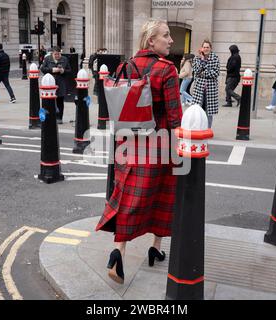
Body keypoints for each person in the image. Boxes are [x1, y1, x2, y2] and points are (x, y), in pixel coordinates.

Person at [95, 19, 183, 284]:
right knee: (163, 198)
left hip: (128, 143)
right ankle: (155, 245)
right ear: (151, 41)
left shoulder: (125, 66)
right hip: (159, 146)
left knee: (129, 197)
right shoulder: (167, 70)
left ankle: (119, 251)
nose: (170, 40)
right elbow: (175, 117)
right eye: (165, 36)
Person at [192, 40, 220, 128]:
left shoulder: (215, 58)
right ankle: (197, 128)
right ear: (201, 48)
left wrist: (202, 73)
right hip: (199, 89)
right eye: (204, 47)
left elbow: (215, 73)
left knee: (209, 112)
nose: (206, 49)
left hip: (210, 90)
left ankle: (208, 129)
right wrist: (202, 60)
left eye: (207, 47)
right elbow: (196, 71)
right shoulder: (197, 58)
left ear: (210, 48)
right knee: (197, 111)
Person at [40, 46, 71, 124]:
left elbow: (69, 70)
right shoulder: (47, 59)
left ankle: (59, 118)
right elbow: (42, 69)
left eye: (59, 54)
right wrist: (52, 70)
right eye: (55, 54)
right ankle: (51, 116)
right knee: (50, 100)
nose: (57, 56)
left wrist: (63, 71)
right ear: (52, 54)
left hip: (61, 82)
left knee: (60, 100)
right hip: (50, 83)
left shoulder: (64, 59)